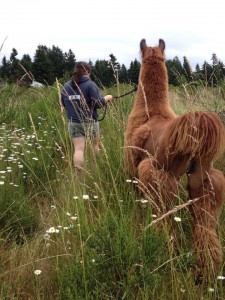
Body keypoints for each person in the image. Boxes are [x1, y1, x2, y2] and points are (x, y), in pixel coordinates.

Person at [61, 61, 113, 173]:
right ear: (88, 72)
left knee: (79, 149)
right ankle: (97, 170)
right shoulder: (90, 85)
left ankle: (79, 176)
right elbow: (98, 104)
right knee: (95, 145)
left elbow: (64, 104)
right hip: (90, 122)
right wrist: (107, 98)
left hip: (73, 122)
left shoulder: (66, 86)